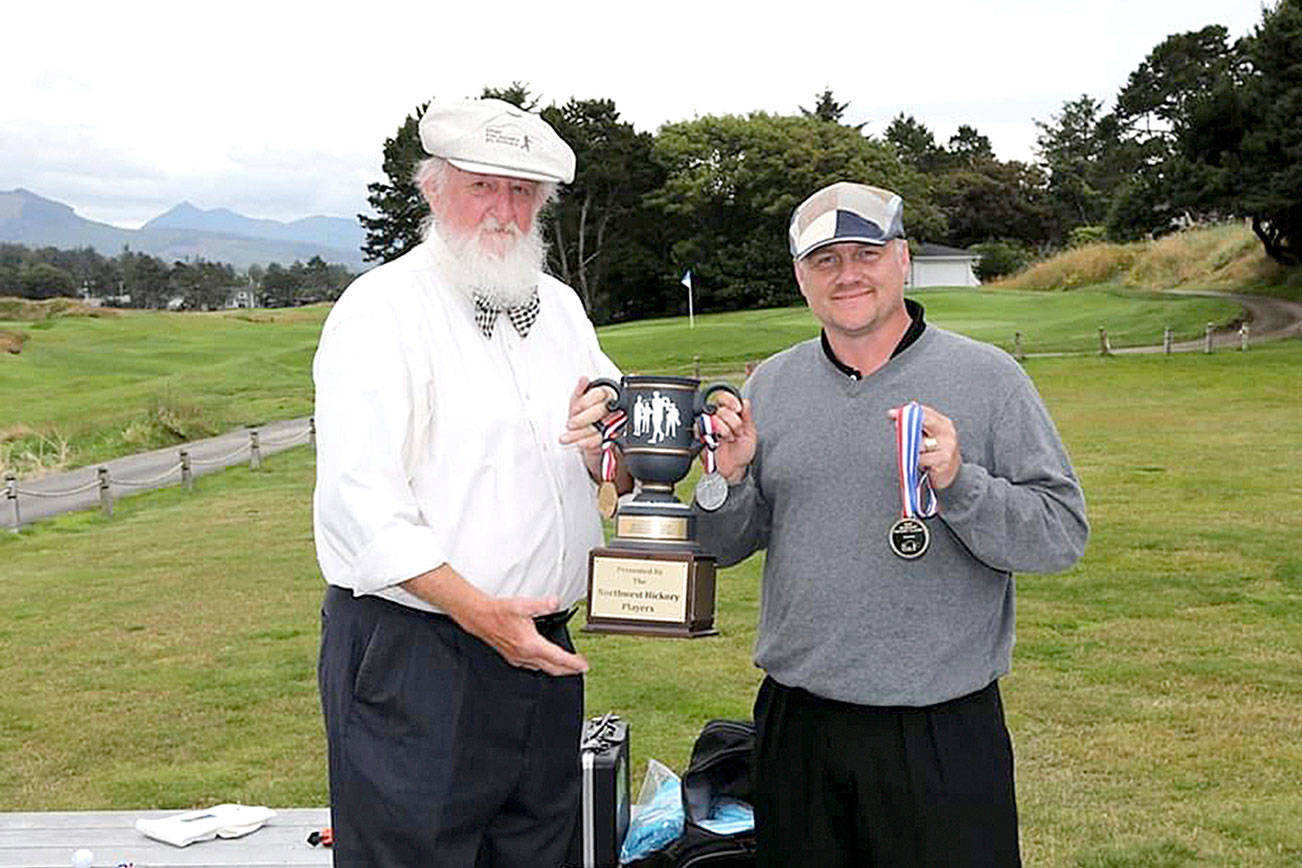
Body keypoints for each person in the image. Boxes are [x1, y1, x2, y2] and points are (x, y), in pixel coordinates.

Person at [697, 181, 1089, 867]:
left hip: (940, 730)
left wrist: (960, 483)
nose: (846, 274)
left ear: (902, 259)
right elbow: (723, 548)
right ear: (800, 277)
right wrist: (727, 481)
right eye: (825, 260)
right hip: (800, 724)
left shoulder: (989, 379)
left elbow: (1058, 534)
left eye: (865, 253)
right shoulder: (771, 386)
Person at [313, 98, 626, 866]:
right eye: (484, 185)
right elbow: (363, 505)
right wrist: (481, 613)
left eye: (523, 192)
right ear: (432, 189)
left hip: (543, 655)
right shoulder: (380, 310)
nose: (504, 210)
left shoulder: (560, 308)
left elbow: (608, 447)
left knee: (540, 854)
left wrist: (605, 443)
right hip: (419, 659)